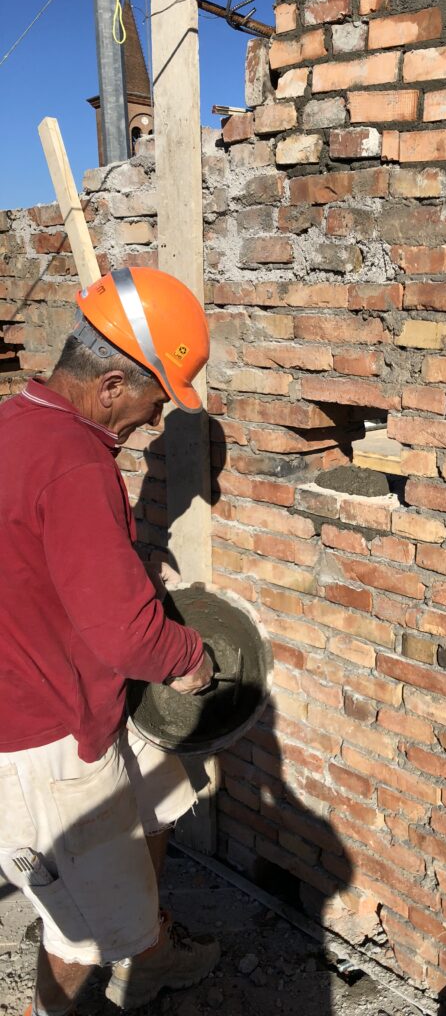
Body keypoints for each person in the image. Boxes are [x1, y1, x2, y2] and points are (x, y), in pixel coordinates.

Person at [0, 267, 220, 1015]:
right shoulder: (73, 463)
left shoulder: (18, 420)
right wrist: (189, 660)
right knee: (81, 930)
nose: (154, 422)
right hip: (44, 732)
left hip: (75, 685)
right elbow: (127, 634)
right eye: (155, 403)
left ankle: (147, 957)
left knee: (159, 794)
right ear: (112, 385)